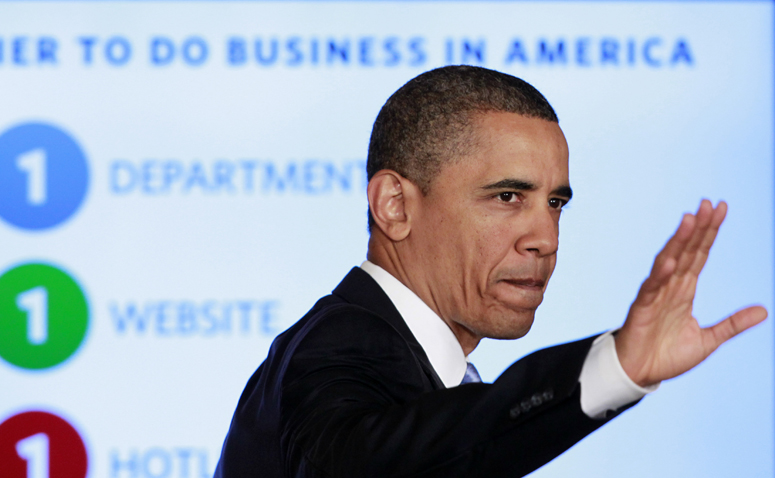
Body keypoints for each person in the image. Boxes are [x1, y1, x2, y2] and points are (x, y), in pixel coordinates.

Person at [214, 65, 767, 478]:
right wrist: (613, 367)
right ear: (395, 206)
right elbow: (368, 463)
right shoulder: (344, 343)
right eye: (507, 196)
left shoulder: (399, 357)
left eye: (555, 203)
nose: (545, 239)